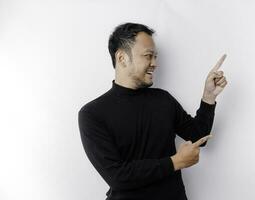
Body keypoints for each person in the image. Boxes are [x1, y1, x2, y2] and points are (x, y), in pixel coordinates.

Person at [78, 22, 228, 200]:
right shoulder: (92, 114)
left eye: (155, 57)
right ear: (122, 58)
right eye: (148, 56)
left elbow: (199, 138)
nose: (155, 64)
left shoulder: (163, 99)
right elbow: (117, 177)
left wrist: (208, 97)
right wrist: (176, 162)